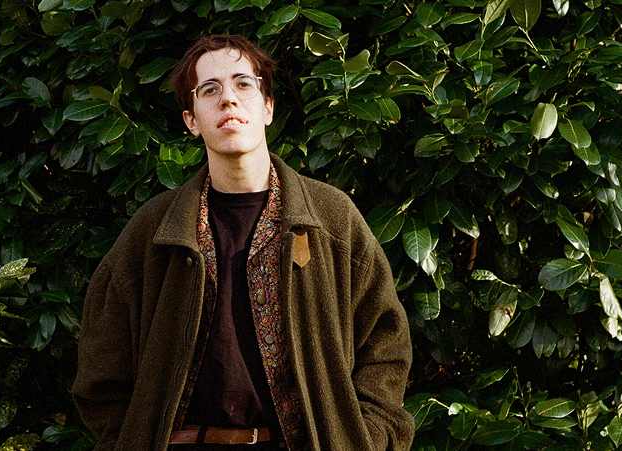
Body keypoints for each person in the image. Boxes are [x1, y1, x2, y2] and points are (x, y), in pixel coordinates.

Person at [72, 35, 415, 450]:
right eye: (209, 89)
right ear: (191, 120)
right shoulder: (153, 231)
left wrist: (362, 438)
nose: (228, 99)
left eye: (243, 83)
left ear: (267, 107)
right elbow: (102, 369)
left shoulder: (331, 219)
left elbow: (385, 345)